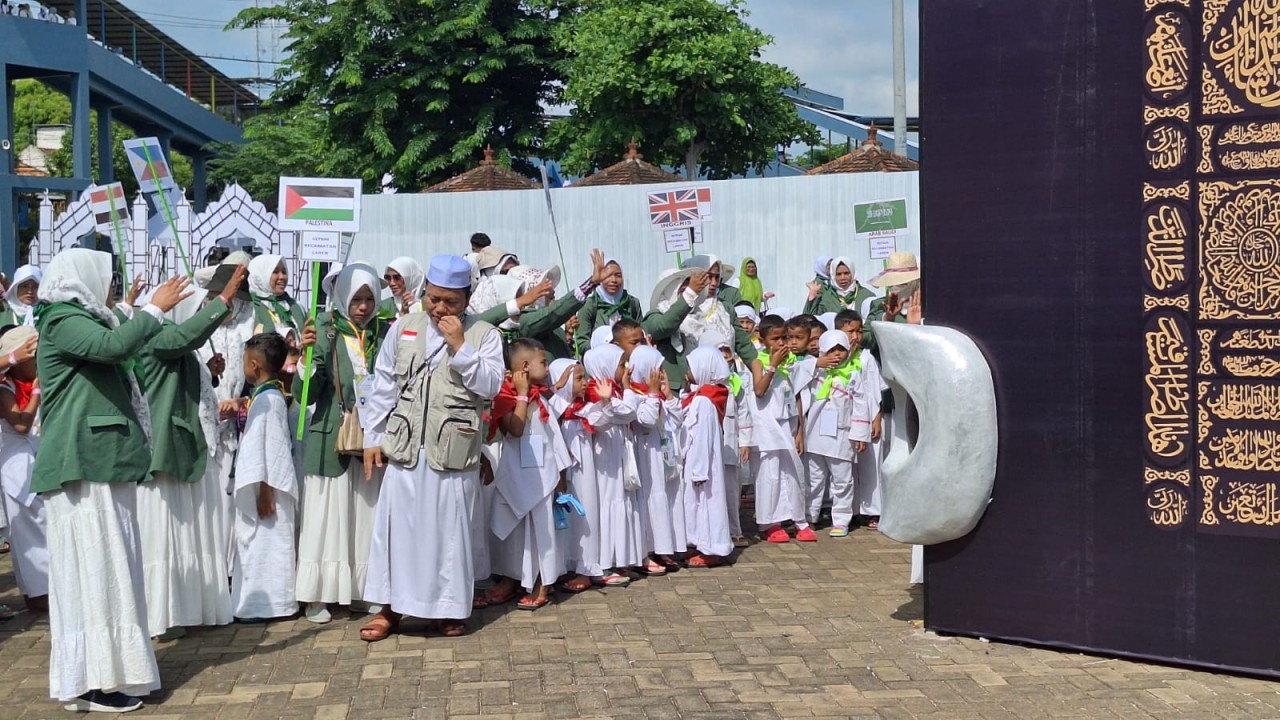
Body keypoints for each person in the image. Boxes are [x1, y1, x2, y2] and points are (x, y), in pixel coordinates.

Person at [35, 248, 190, 713]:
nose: (111, 286)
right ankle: (97, 682)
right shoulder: (61, 318)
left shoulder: (82, 319)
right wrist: (154, 308)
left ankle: (108, 674)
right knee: (96, 572)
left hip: (100, 462)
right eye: (107, 278)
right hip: (82, 464)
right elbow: (112, 347)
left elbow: (115, 338)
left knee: (107, 568)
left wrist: (139, 311)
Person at [359, 255, 504, 641]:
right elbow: (383, 383)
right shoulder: (404, 327)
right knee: (398, 533)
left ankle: (448, 609)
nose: (439, 308)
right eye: (433, 298)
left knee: (448, 536)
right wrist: (373, 437)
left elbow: (490, 385)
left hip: (453, 452)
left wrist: (460, 347)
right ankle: (390, 610)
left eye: (450, 301)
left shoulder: (484, 335)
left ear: (467, 298)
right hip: (406, 447)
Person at [135, 264, 248, 638]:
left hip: (188, 448)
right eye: (197, 308)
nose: (203, 314)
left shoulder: (177, 343)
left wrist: (208, 371)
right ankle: (159, 614)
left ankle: (185, 608)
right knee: (162, 533)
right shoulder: (155, 336)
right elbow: (182, 339)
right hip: (165, 451)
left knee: (188, 531)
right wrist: (224, 299)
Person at [296, 263, 389, 624]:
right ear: (340, 297)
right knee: (327, 517)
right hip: (331, 436)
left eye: (369, 299)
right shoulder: (325, 330)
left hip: (371, 438)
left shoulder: (383, 332)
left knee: (366, 515)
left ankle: (362, 590)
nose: (363, 307)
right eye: (355, 299)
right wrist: (305, 360)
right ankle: (318, 594)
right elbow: (308, 394)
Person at [486, 338, 572, 611]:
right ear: (524, 366)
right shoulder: (506, 396)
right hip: (514, 472)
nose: (547, 368)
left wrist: (562, 473)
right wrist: (522, 395)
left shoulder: (541, 397)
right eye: (543, 362)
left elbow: (554, 437)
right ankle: (512, 576)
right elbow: (515, 429)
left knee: (541, 529)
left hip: (541, 474)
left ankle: (543, 581)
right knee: (512, 528)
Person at [230, 332, 299, 622]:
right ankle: (264, 604)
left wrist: (265, 490)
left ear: (254, 364)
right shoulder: (267, 395)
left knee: (266, 543)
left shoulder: (268, 400)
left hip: (266, 489)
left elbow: (270, 449)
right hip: (264, 485)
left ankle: (267, 605)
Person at [580, 343, 644, 586]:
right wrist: (627, 388)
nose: (625, 368)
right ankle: (604, 562)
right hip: (605, 458)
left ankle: (619, 558)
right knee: (608, 503)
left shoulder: (612, 392)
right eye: (620, 364)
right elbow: (629, 411)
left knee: (622, 502)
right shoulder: (596, 393)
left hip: (617, 454)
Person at [798, 330, 872, 538]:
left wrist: (860, 434)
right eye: (831, 350)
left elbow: (861, 405)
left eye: (841, 350)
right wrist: (816, 364)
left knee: (842, 480)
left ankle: (840, 519)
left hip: (841, 436)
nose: (837, 355)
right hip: (815, 434)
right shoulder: (814, 372)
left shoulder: (852, 375)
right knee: (814, 478)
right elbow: (794, 375)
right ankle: (809, 516)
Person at [478, 251, 609, 359]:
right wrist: (590, 284)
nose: (552, 291)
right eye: (542, 287)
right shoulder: (522, 321)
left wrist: (568, 336)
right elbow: (551, 315)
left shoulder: (553, 325)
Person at [747, 315, 807, 544]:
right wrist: (772, 365)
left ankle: (797, 518)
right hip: (767, 429)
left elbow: (797, 397)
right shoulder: (758, 362)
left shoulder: (791, 364)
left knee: (792, 473)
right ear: (763, 341)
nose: (782, 343)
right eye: (775, 339)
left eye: (785, 337)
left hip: (786, 426)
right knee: (769, 475)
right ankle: (769, 522)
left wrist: (799, 430)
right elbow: (759, 390)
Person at [625, 345, 684, 575]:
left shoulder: (656, 395)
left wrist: (667, 395)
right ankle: (645, 553)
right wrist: (651, 394)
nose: (660, 374)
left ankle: (661, 547)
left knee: (661, 502)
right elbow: (647, 420)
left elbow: (676, 420)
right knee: (647, 503)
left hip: (660, 458)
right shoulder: (633, 395)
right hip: (644, 458)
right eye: (656, 369)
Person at [0, 326, 47, 613]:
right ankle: (39, 595)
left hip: (33, 464)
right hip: (18, 470)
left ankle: (41, 592)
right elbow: (21, 425)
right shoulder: (5, 388)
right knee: (30, 535)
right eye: (34, 357)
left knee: (41, 530)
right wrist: (38, 391)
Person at [549, 359, 599, 593]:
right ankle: (562, 565)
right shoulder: (552, 408)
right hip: (559, 470)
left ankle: (585, 567)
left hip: (583, 470)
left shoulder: (586, 408)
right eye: (578, 378)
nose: (585, 382)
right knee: (561, 516)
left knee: (584, 513)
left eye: (584, 377)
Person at [681, 346, 734, 567]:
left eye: (691, 368)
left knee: (706, 505)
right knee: (698, 505)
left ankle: (711, 549)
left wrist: (699, 470)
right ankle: (700, 544)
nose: (687, 372)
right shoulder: (703, 396)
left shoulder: (704, 401)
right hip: (698, 463)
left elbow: (703, 437)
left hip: (701, 464)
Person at [573, 258, 643, 357]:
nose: (613, 280)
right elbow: (581, 342)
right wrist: (605, 347)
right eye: (608, 276)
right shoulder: (589, 305)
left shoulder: (632, 303)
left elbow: (641, 334)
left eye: (618, 275)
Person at [247, 254, 307, 335]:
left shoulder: (296, 306)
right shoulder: (249, 309)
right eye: (275, 272)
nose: (282, 277)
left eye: (284, 272)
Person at [804, 257, 875, 320]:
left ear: (853, 273)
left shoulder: (866, 295)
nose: (843, 278)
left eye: (846, 273)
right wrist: (812, 299)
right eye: (838, 274)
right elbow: (811, 322)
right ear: (833, 276)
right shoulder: (826, 298)